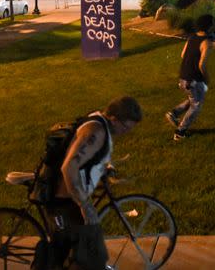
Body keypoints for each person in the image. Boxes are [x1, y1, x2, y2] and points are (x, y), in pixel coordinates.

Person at [46, 96, 143, 269]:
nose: (127, 132)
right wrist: (85, 205)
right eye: (126, 127)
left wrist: (103, 168)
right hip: (64, 200)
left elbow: (88, 158)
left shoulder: (100, 120)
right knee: (67, 254)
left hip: (72, 198)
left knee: (82, 252)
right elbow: (69, 167)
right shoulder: (96, 132)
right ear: (114, 119)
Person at [165, 14, 215, 141]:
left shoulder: (191, 38)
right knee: (196, 105)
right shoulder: (207, 42)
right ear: (209, 26)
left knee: (194, 98)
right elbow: (201, 65)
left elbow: (183, 55)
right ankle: (180, 132)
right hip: (193, 80)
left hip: (183, 78)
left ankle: (174, 113)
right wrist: (206, 79)